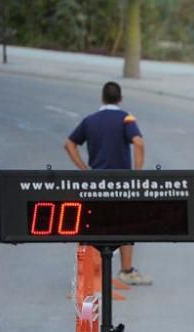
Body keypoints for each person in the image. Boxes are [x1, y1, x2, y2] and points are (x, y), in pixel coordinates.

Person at [64, 81, 152, 285]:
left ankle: (90, 273)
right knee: (126, 226)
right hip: (121, 182)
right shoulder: (126, 119)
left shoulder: (90, 120)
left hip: (96, 181)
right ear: (120, 99)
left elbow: (69, 144)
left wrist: (84, 169)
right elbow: (138, 142)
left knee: (94, 225)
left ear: (102, 98)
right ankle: (126, 270)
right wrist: (136, 174)